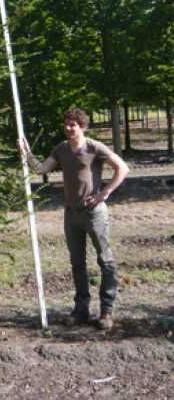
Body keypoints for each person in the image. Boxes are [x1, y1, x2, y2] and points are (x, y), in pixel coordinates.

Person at [18, 107, 129, 330]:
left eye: (73, 125)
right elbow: (41, 169)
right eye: (67, 124)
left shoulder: (94, 147)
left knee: (105, 260)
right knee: (77, 263)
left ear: (82, 127)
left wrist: (104, 193)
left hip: (94, 213)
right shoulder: (61, 149)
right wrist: (27, 153)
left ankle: (106, 311)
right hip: (71, 214)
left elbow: (122, 168)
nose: (69, 128)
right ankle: (81, 310)